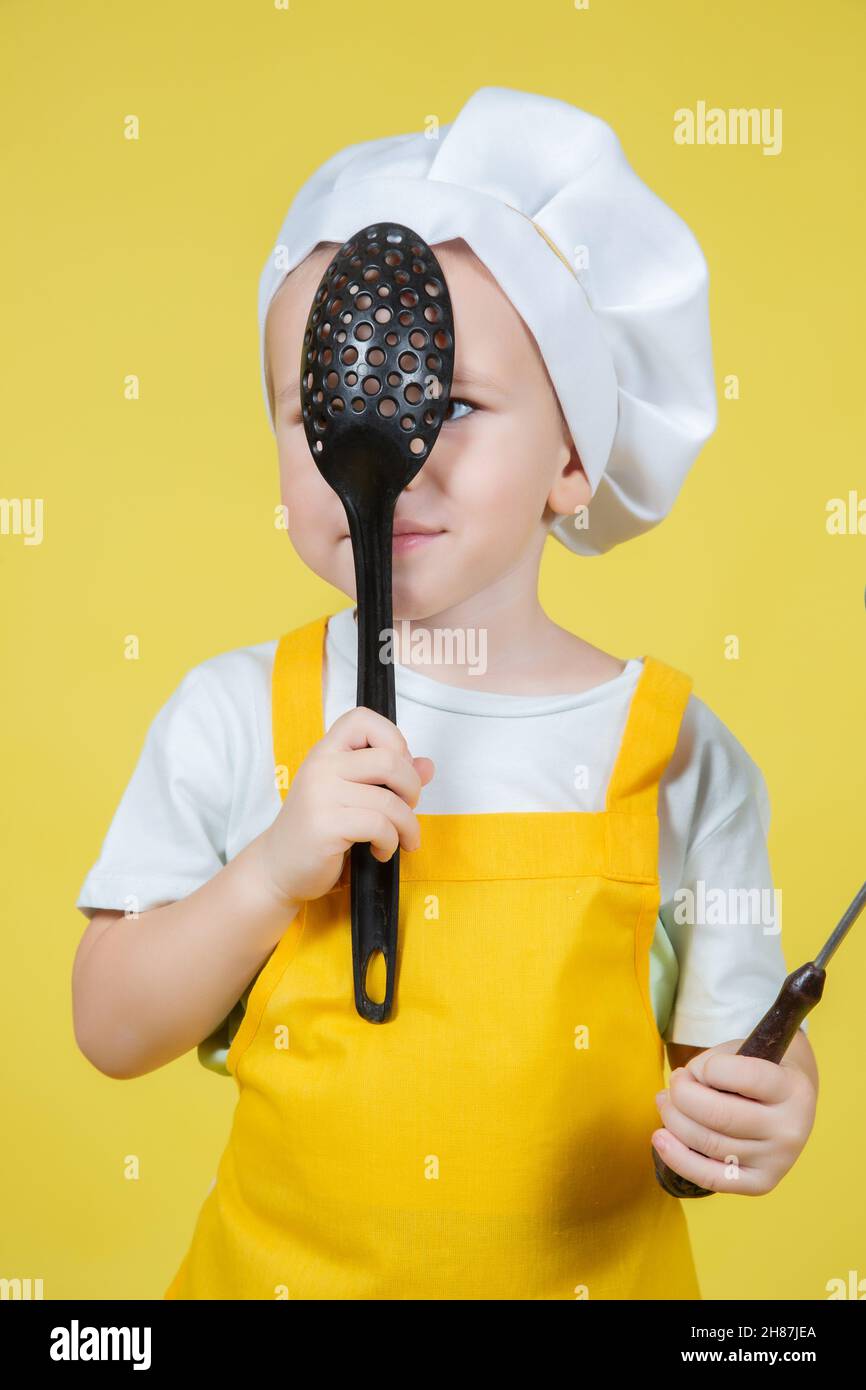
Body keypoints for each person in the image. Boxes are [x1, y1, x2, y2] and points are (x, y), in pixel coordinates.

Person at [73, 87, 818, 1300]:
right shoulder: (230, 714)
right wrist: (267, 874)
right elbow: (110, 1030)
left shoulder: (677, 753)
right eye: (326, 405)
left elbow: (728, 1056)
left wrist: (767, 1110)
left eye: (451, 405)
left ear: (575, 456)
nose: (391, 450)